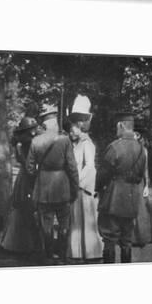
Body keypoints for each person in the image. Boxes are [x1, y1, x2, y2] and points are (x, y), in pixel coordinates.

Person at [26, 105, 79, 263]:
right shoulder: (65, 140)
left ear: (44, 124)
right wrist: (74, 188)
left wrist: (39, 177)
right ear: (55, 123)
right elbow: (72, 167)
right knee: (64, 222)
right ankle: (61, 254)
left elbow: (29, 168)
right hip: (62, 186)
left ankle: (48, 255)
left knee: (46, 223)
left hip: (43, 186)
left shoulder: (36, 141)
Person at [96, 112, 146, 263]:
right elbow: (140, 176)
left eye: (117, 126)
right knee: (126, 239)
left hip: (113, 197)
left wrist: (98, 189)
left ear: (121, 125)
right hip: (131, 198)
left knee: (109, 238)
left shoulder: (114, 147)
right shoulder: (141, 149)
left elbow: (102, 174)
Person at [0, 117, 42, 253]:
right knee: (26, 206)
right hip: (28, 175)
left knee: (21, 206)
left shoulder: (22, 142)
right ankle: (25, 243)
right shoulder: (26, 144)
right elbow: (26, 162)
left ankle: (18, 242)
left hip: (24, 175)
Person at [66, 111, 103, 261]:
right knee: (77, 219)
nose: (70, 131)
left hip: (85, 186)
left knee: (87, 218)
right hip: (79, 186)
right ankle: (78, 251)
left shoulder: (87, 144)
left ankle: (91, 251)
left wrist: (78, 181)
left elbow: (89, 166)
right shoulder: (77, 144)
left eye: (73, 128)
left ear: (80, 127)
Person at [132, 126, 152, 247]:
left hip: (139, 182)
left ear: (139, 136)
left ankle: (141, 237)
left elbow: (146, 169)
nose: (133, 136)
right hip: (129, 181)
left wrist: (147, 185)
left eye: (135, 134)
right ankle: (130, 237)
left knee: (140, 208)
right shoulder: (129, 148)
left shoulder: (144, 150)